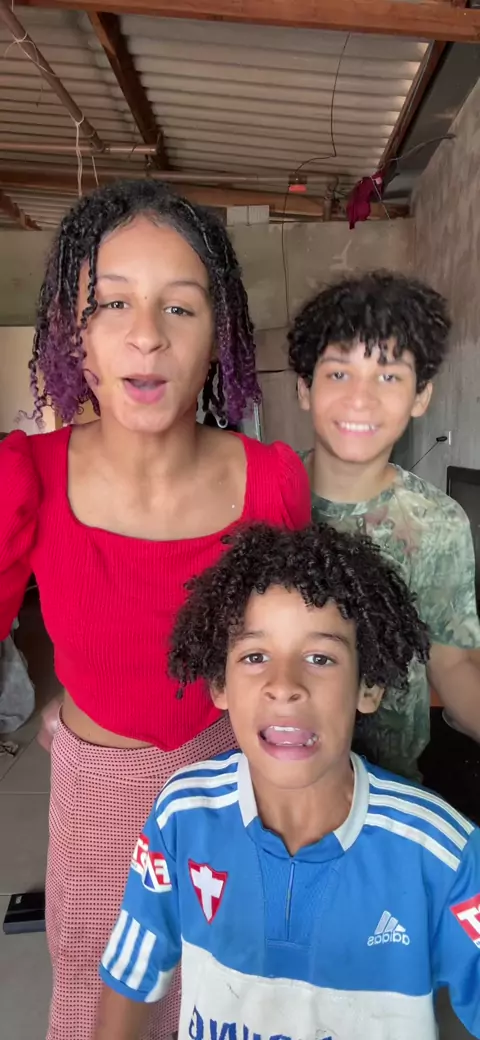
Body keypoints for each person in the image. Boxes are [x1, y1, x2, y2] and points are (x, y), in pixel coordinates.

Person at [0, 179, 311, 1040]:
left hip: (239, 785)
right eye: (112, 304)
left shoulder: (271, 480)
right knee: (103, 999)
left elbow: (294, 659)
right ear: (74, 334)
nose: (147, 334)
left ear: (219, 337)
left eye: (180, 306)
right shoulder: (27, 476)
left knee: (236, 997)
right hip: (100, 800)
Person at [95, 523, 480, 1040]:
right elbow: (130, 978)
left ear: (368, 687)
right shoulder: (182, 815)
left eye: (320, 658)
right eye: (255, 657)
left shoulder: (443, 854)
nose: (284, 685)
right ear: (219, 684)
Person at [288, 271, 480, 779]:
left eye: (389, 376)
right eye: (338, 373)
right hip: (273, 778)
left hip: (393, 788)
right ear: (304, 388)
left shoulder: (439, 524)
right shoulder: (261, 498)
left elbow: (453, 664)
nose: (361, 398)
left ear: (421, 395)